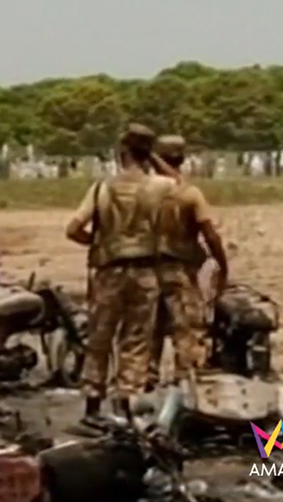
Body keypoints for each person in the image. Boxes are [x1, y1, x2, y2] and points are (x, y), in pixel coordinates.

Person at [65, 123, 174, 424]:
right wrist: (154, 159)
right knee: (136, 340)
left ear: (121, 152)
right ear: (147, 154)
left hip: (108, 270)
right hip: (145, 271)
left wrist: (99, 242)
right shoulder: (161, 187)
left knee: (99, 338)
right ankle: (126, 403)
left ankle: (92, 407)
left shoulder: (102, 187)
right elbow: (185, 187)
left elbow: (73, 229)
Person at [146, 135, 229, 391]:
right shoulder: (189, 194)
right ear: (182, 159)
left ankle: (146, 385)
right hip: (179, 271)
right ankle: (185, 386)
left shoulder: (142, 192)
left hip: (145, 271)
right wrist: (222, 263)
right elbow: (209, 233)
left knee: (149, 332)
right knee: (187, 333)